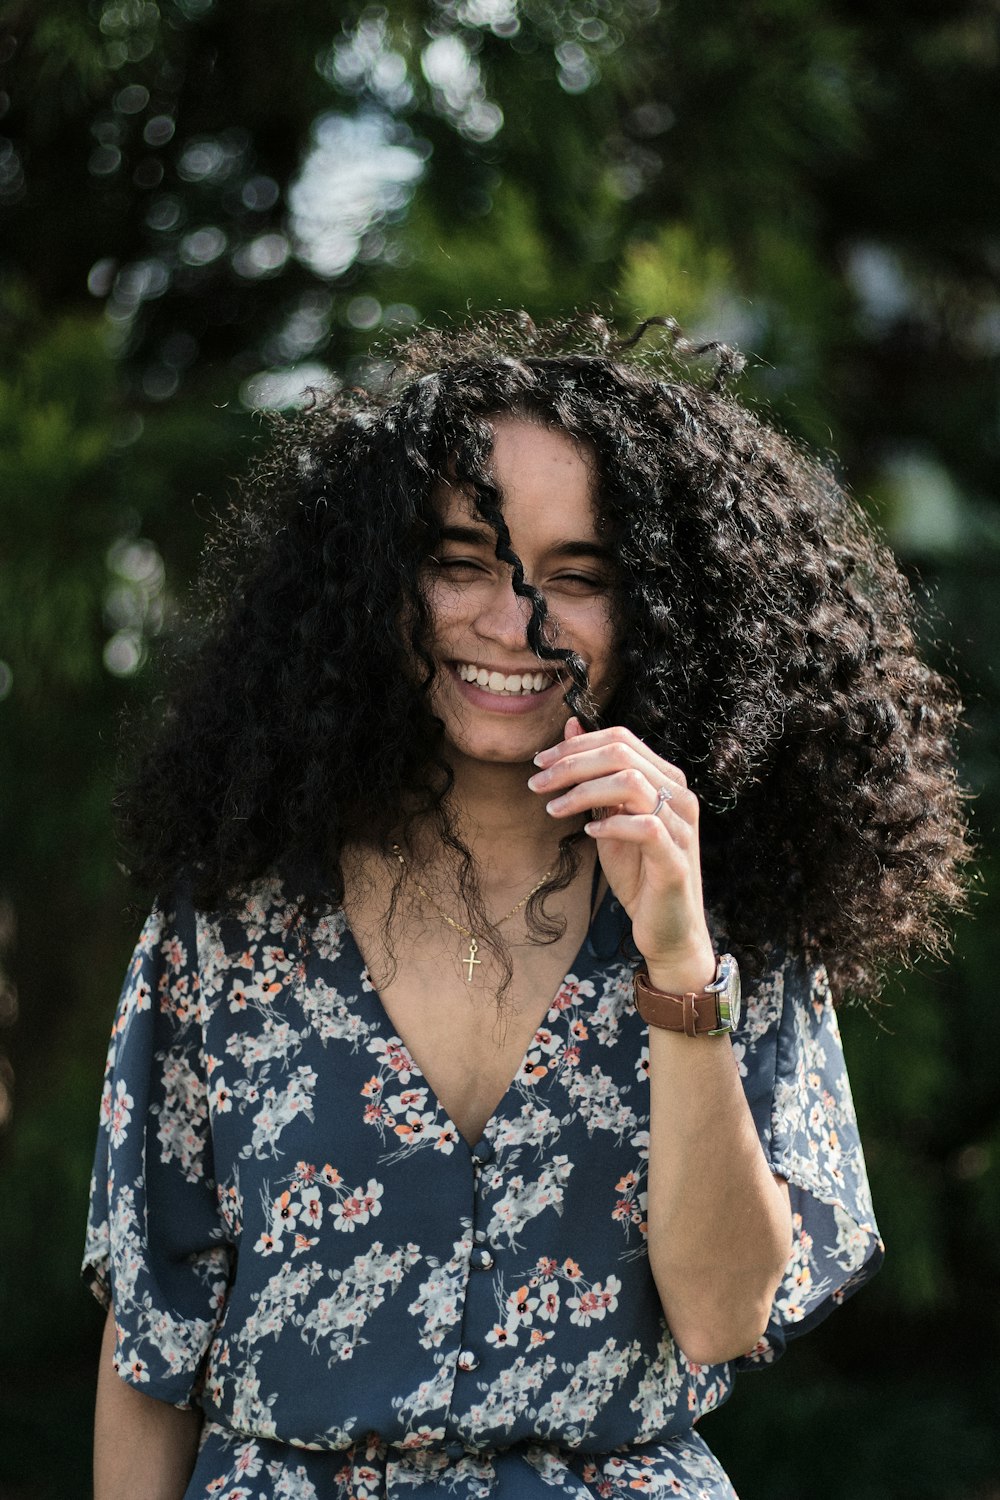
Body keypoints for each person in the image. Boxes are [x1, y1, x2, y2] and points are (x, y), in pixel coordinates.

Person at [84, 313, 968, 1500]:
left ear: (665, 609)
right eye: (461, 563)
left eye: (578, 577)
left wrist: (673, 955)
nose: (514, 625)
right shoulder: (232, 917)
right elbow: (152, 1345)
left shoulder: (723, 914)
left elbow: (718, 1318)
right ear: (373, 584)